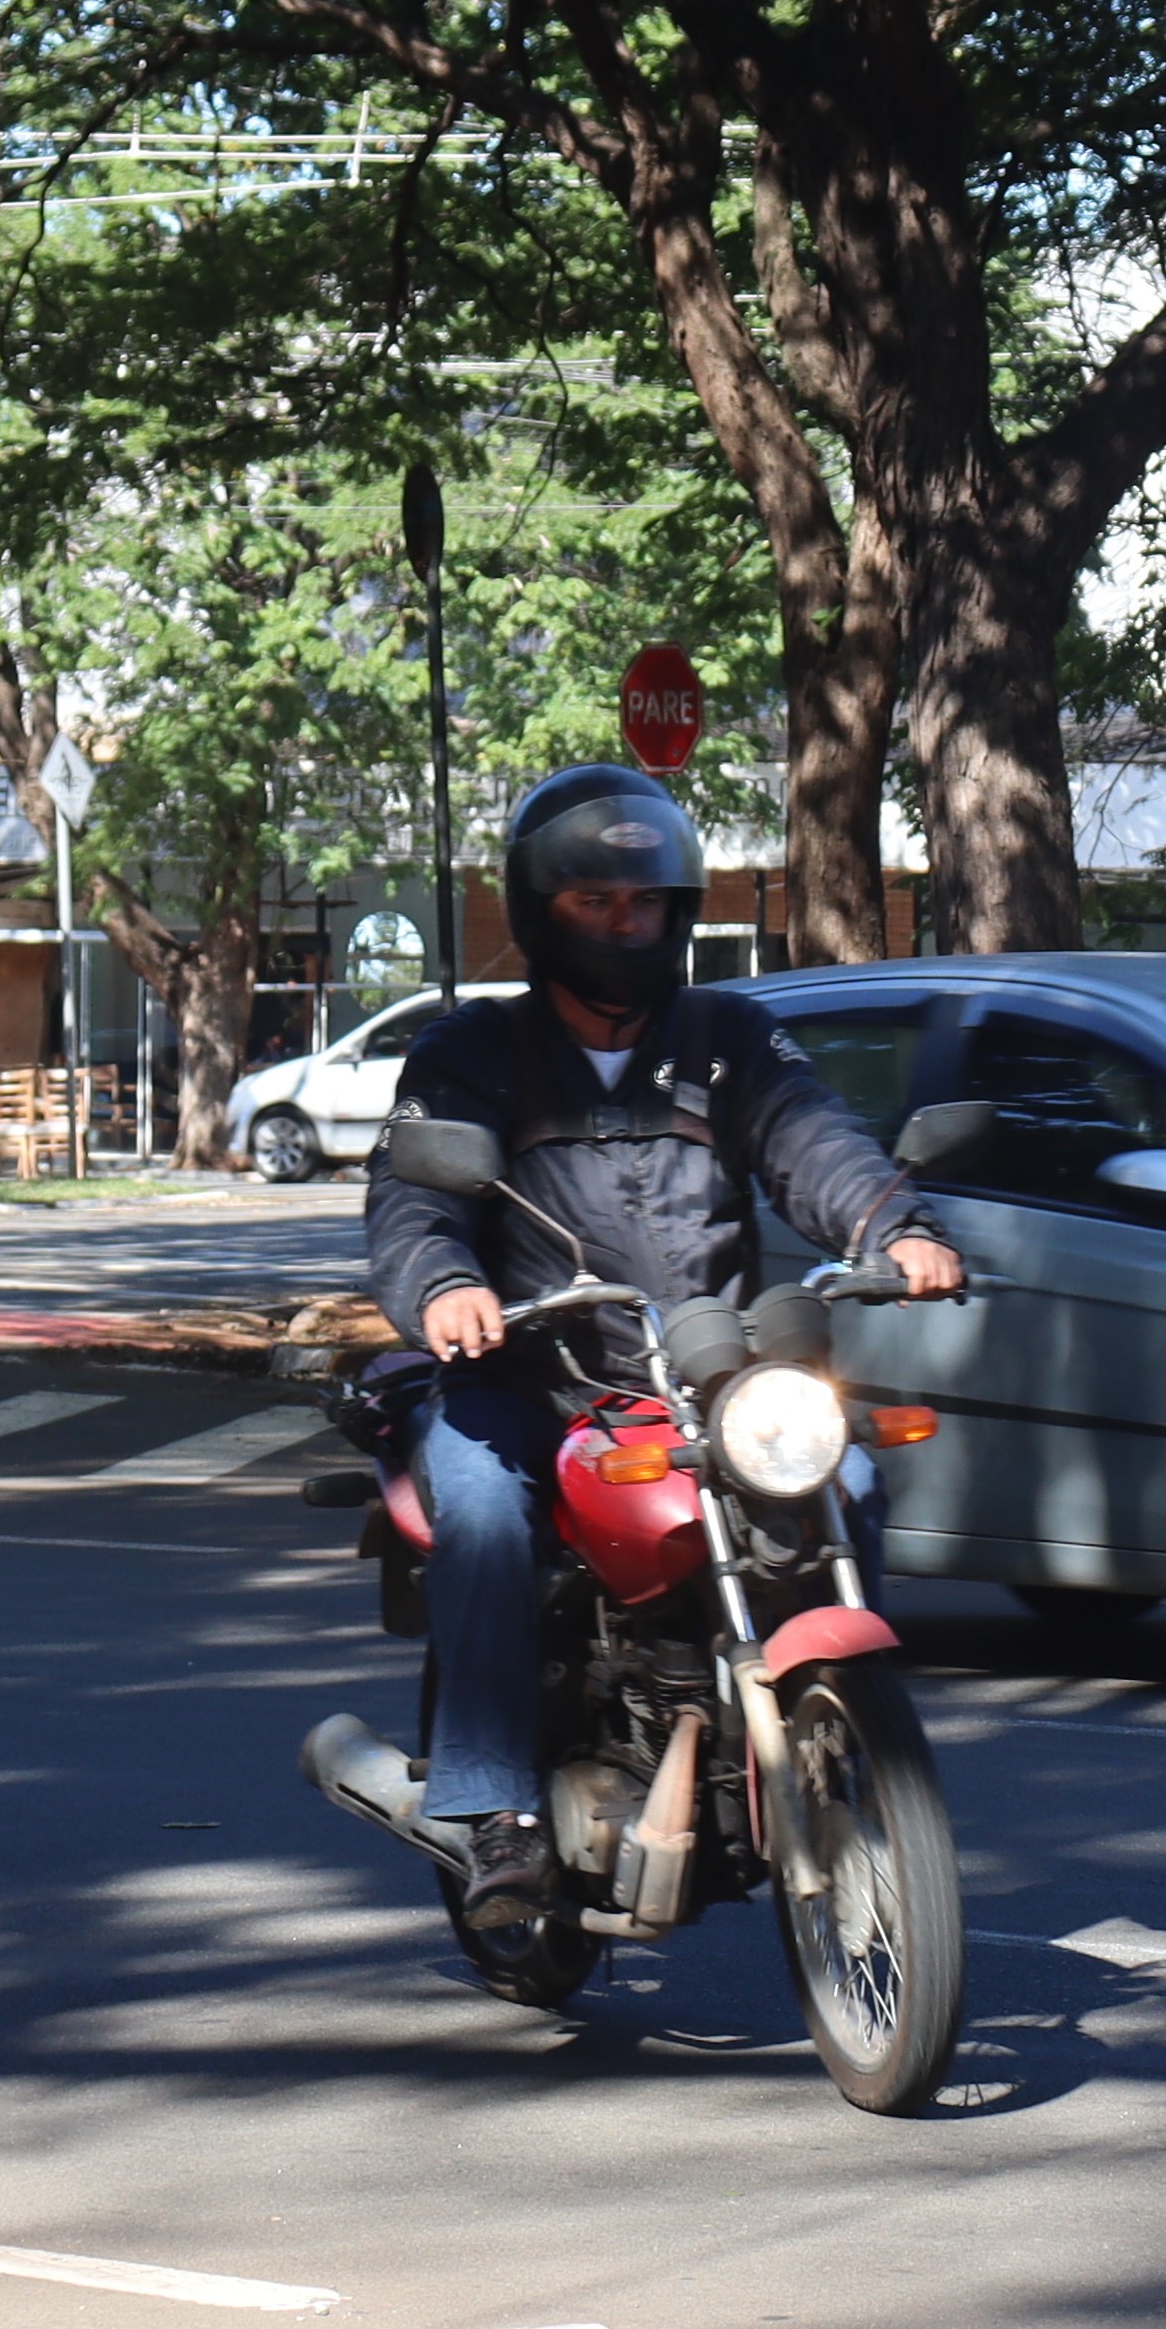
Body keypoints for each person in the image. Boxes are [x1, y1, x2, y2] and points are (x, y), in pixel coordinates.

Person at [363, 762, 963, 1934]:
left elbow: (819, 1145)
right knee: (484, 1508)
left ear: (678, 912)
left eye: (643, 902)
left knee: (846, 1471)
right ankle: (499, 1816)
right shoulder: (470, 1053)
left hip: (711, 1374)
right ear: (543, 910)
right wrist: (442, 1284)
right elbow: (411, 1202)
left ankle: (837, 1735)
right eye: (594, 901)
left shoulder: (728, 1038)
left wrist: (895, 1226)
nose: (623, 923)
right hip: (533, 1378)